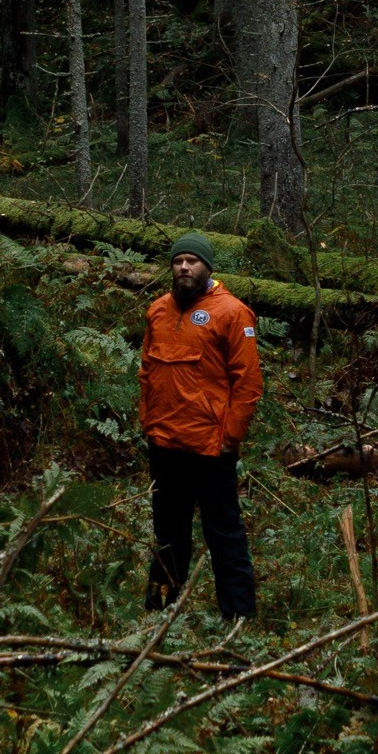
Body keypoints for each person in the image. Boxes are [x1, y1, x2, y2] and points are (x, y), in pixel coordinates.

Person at [138, 240, 262, 622]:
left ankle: (238, 616)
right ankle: (163, 610)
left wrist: (231, 438)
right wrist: (148, 424)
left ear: (207, 266)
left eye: (192, 261)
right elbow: (146, 372)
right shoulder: (158, 310)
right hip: (165, 444)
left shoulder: (233, 313)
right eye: (177, 261)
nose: (184, 267)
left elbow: (248, 384)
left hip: (211, 448)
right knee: (168, 532)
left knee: (223, 533)